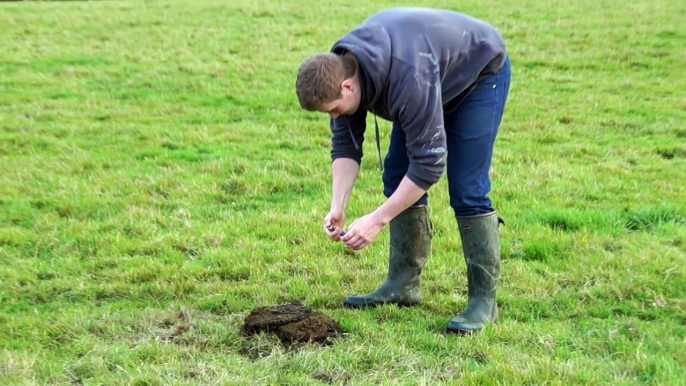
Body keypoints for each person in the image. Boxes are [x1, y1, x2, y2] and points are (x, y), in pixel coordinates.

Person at [295, 7, 510, 334]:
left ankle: (484, 303)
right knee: (396, 174)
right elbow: (345, 147)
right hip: (429, 70)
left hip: (479, 73)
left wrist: (377, 219)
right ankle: (403, 285)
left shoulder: (407, 78)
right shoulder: (343, 71)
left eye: (335, 110)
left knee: (467, 187)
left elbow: (428, 165)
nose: (335, 117)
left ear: (348, 87)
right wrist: (337, 206)